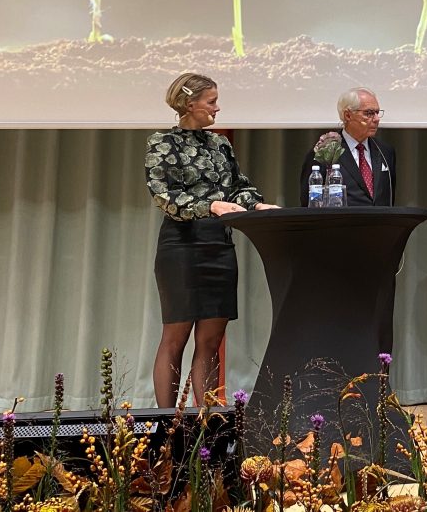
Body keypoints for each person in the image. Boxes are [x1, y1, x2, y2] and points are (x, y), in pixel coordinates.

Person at [145, 73, 279, 408]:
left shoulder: (220, 144)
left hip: (218, 245)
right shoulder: (163, 143)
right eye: (211, 102)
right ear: (190, 104)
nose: (217, 109)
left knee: (211, 338)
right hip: (181, 244)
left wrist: (256, 203)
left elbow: (238, 186)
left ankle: (204, 424)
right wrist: (210, 205)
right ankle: (166, 423)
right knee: (175, 337)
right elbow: (165, 196)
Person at [299, 87, 397, 207]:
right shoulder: (325, 151)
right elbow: (309, 203)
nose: (376, 119)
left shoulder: (385, 151)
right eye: (369, 113)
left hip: (380, 224)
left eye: (377, 112)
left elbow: (389, 199)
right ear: (348, 115)